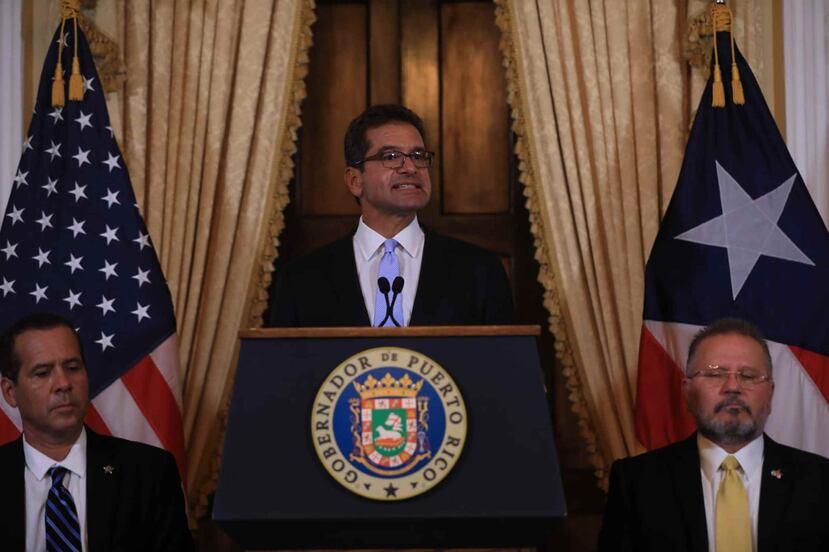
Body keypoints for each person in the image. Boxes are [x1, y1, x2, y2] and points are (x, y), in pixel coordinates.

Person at [270, 104, 513, 327]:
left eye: (418, 156)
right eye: (391, 157)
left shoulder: (480, 271)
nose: (410, 168)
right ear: (355, 181)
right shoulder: (303, 279)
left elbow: (504, 367)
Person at [598, 317, 829, 551]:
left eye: (748, 375)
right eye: (715, 374)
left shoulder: (821, 481)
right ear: (687, 392)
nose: (732, 387)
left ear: (770, 394)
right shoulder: (636, 482)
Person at [0, 313, 193, 551]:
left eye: (72, 367)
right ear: (10, 392)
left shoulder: (149, 473)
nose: (63, 383)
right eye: (43, 373)